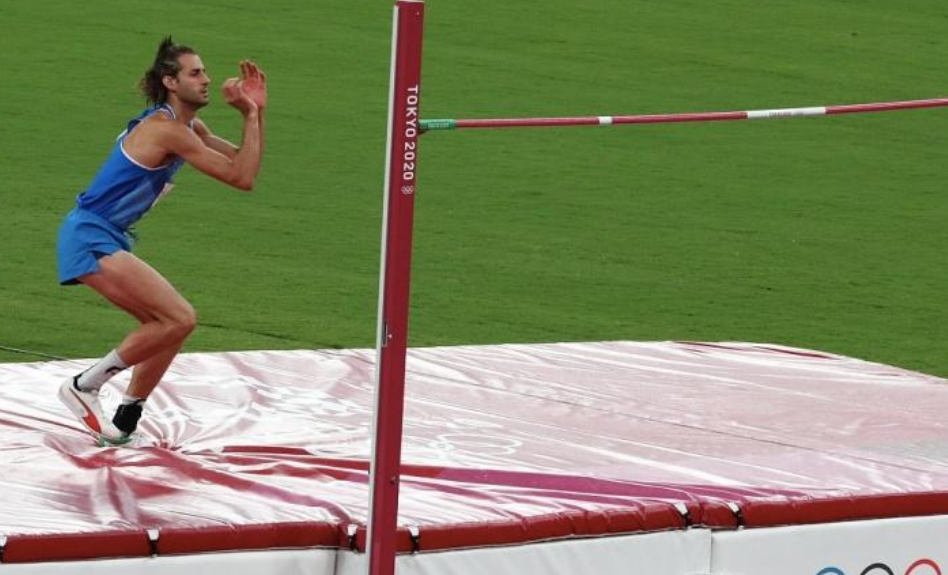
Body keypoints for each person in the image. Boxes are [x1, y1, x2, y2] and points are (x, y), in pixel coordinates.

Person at [56, 36, 267, 444]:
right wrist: (249, 114)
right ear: (171, 82)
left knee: (168, 326)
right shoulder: (168, 131)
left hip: (104, 233)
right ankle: (84, 386)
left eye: (204, 70)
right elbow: (241, 178)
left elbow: (244, 162)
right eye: (195, 73)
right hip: (89, 234)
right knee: (179, 317)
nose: (206, 79)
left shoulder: (189, 128)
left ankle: (125, 419)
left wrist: (254, 113)